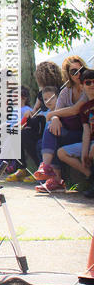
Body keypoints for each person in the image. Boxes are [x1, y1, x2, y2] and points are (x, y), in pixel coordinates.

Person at [34, 55, 87, 193]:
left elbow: (76, 109)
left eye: (81, 69)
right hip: (71, 133)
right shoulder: (65, 92)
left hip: (84, 132)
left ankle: (51, 174)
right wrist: (55, 117)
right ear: (68, 74)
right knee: (51, 128)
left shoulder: (88, 87)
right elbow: (56, 112)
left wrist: (52, 115)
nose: (78, 74)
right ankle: (52, 177)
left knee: (50, 131)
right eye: (74, 71)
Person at [56, 68, 94, 198]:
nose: (92, 85)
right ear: (82, 86)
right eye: (88, 82)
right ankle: (91, 177)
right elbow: (86, 132)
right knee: (62, 152)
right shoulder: (84, 108)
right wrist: (84, 153)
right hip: (90, 142)